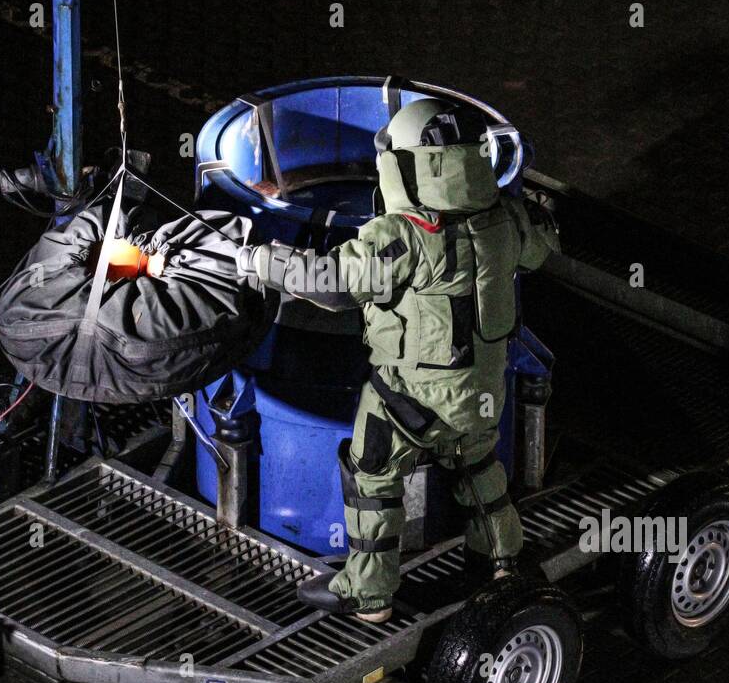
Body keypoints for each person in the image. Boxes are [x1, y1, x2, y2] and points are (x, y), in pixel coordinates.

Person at [238, 99, 558, 622]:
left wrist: (256, 261)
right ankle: (501, 560)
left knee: (372, 476)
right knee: (477, 464)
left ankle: (368, 594)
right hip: (482, 389)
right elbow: (542, 245)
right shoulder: (503, 221)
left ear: (409, 167)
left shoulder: (403, 236)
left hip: (410, 398)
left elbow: (335, 283)